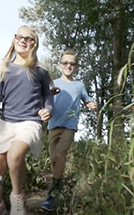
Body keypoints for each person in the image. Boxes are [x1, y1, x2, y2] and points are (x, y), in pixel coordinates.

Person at [0, 25, 53, 215]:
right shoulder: (4, 69)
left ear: (34, 44)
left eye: (29, 38)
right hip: (6, 123)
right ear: (14, 40)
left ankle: (17, 199)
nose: (23, 40)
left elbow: (47, 95)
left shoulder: (40, 70)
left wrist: (48, 109)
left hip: (29, 122)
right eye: (20, 37)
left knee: (15, 155)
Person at [41, 50, 97, 211]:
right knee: (54, 160)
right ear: (60, 66)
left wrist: (92, 104)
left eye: (72, 64)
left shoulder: (79, 86)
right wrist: (49, 95)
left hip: (69, 126)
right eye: (65, 63)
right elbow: (44, 100)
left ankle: (52, 195)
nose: (68, 66)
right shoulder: (54, 83)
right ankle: (59, 189)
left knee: (60, 155)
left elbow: (88, 100)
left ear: (76, 67)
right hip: (53, 125)